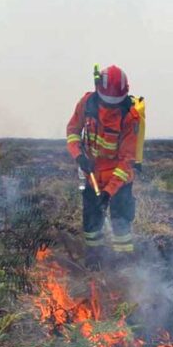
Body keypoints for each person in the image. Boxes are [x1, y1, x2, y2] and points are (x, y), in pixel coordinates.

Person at [66, 65, 144, 270]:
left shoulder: (130, 117)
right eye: (108, 101)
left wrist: (109, 192)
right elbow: (73, 131)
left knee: (121, 223)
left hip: (119, 181)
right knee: (92, 222)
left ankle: (125, 266)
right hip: (91, 174)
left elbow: (127, 160)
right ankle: (94, 259)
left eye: (115, 102)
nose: (111, 106)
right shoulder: (87, 103)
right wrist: (79, 156)